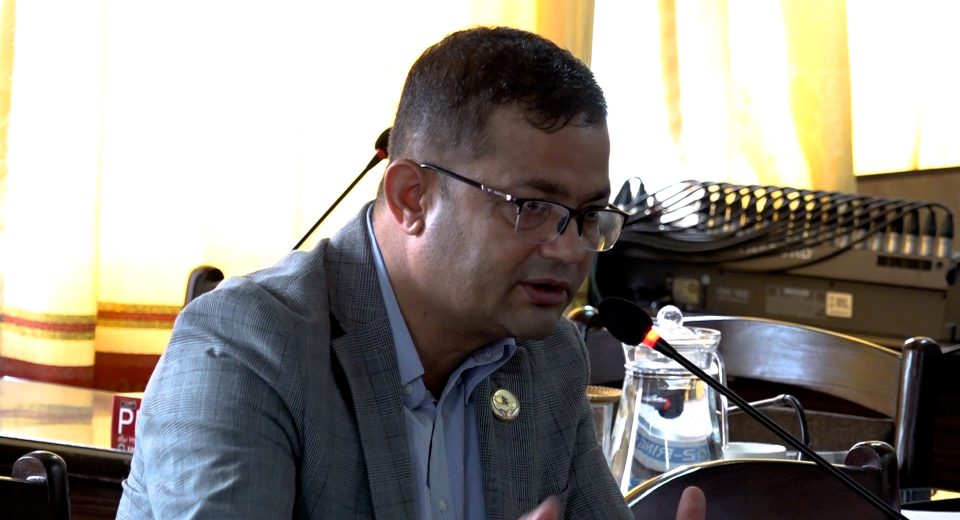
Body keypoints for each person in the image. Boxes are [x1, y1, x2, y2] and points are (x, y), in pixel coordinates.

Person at [117, 26, 706, 519]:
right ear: (411, 198)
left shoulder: (547, 359)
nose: (570, 250)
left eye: (588, 216)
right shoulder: (247, 349)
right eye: (532, 207)